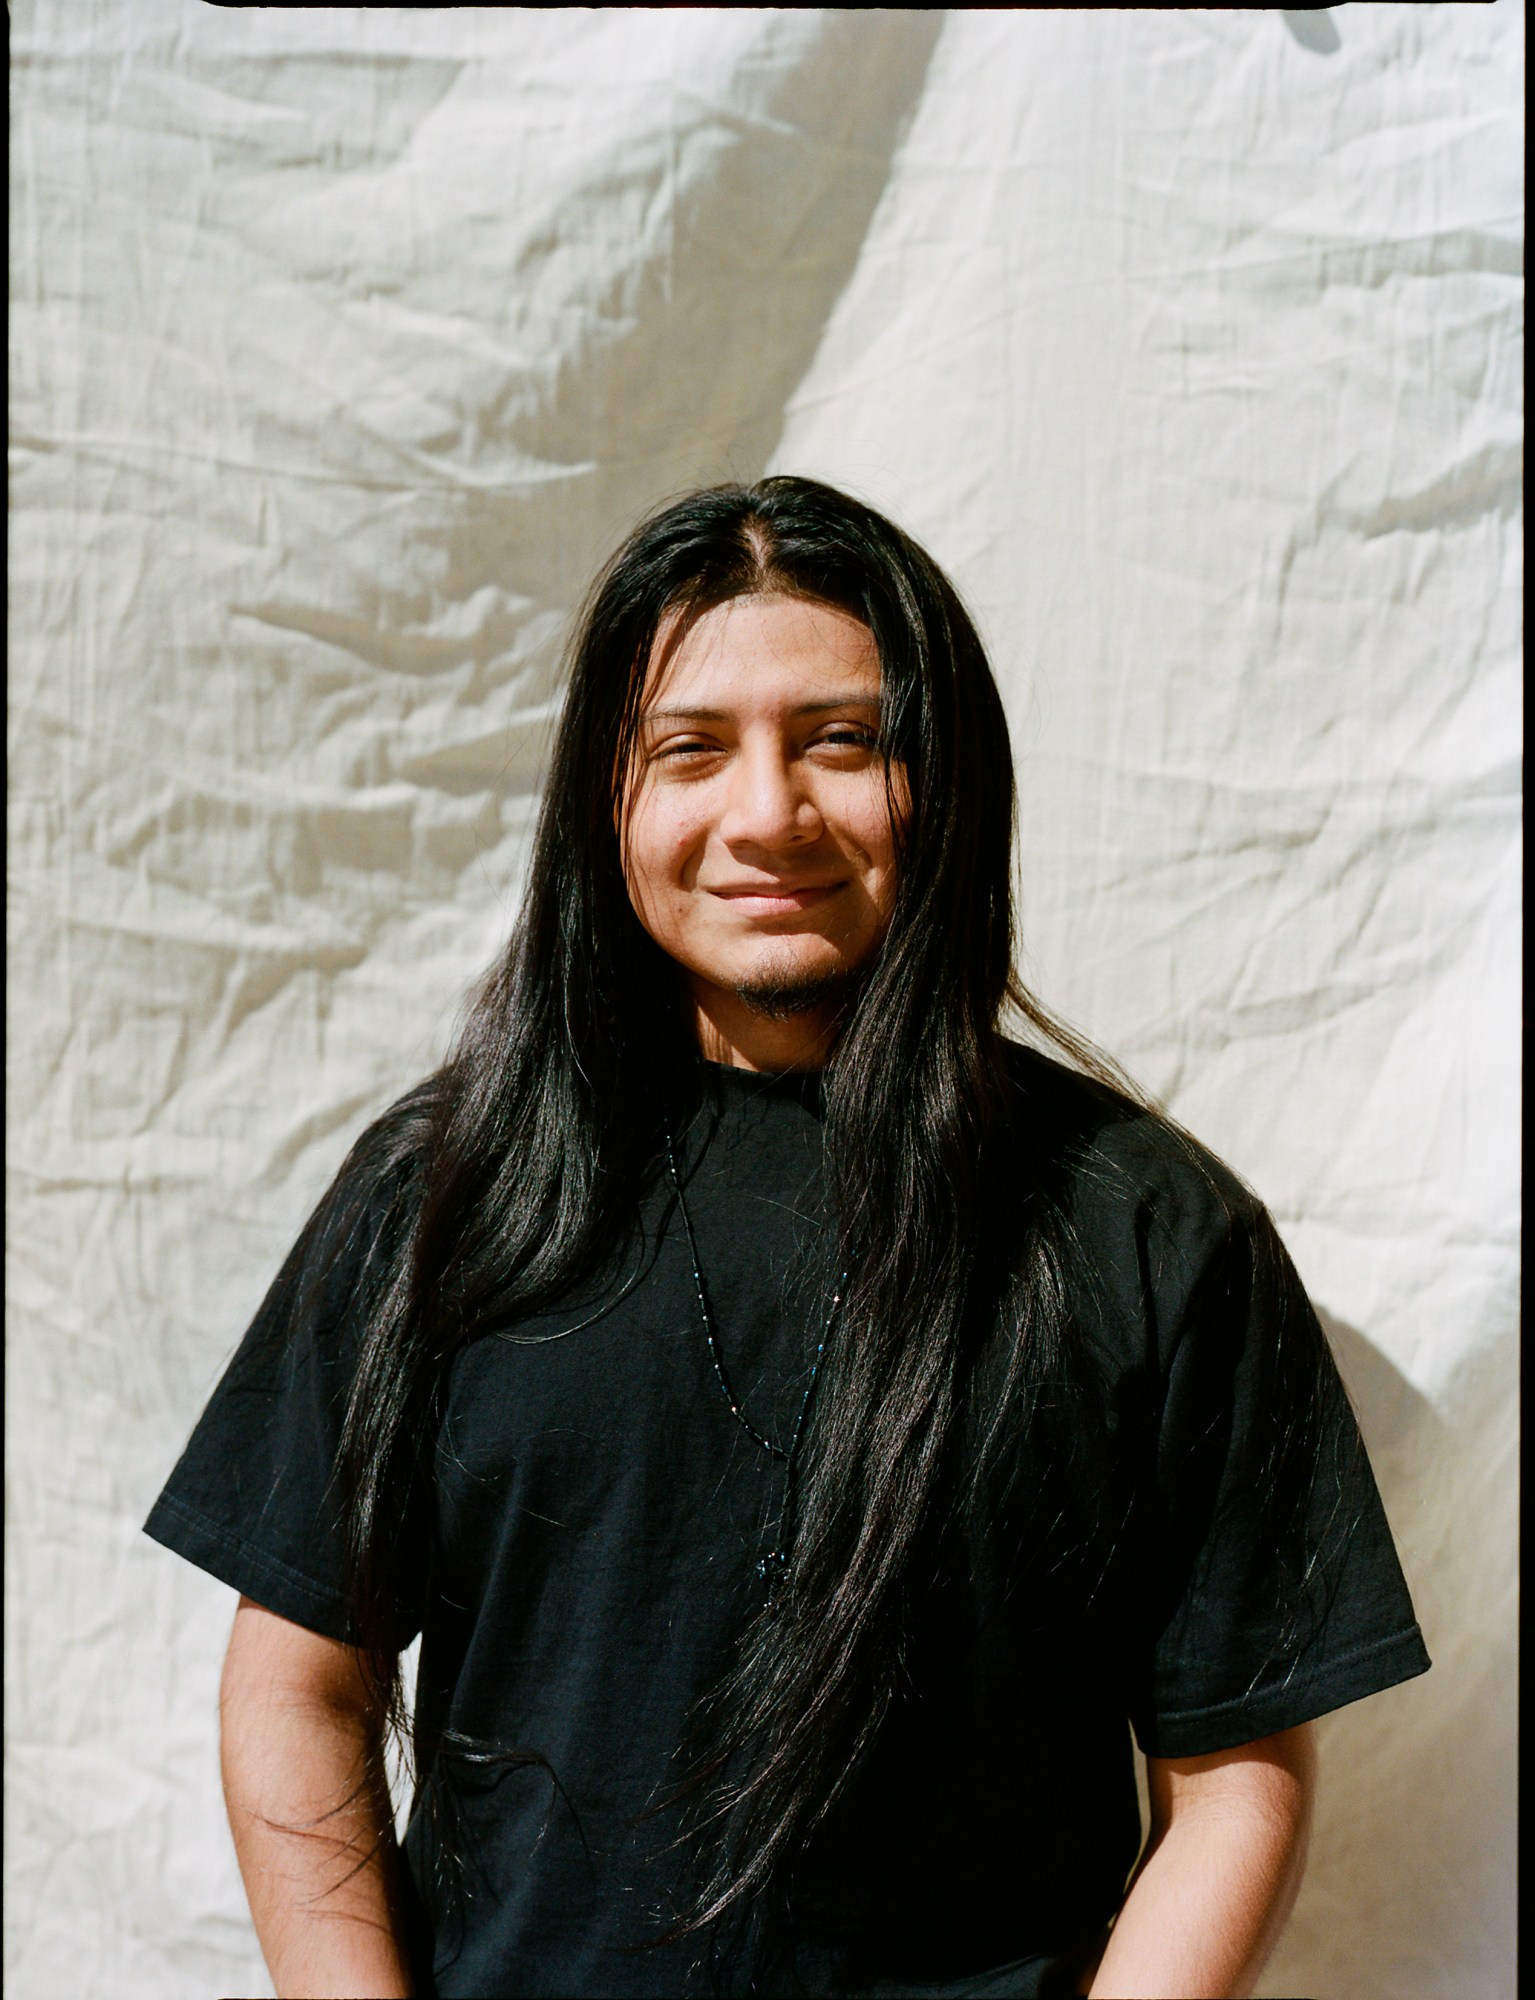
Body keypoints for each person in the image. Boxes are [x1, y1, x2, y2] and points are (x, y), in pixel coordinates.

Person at [145, 476, 1430, 2000]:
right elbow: (297, 1688)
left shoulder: (1147, 1228)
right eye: (691, 749)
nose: (768, 815)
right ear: (604, 804)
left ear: (944, 782)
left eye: (841, 740)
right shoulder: (445, 1194)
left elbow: (1234, 1782)